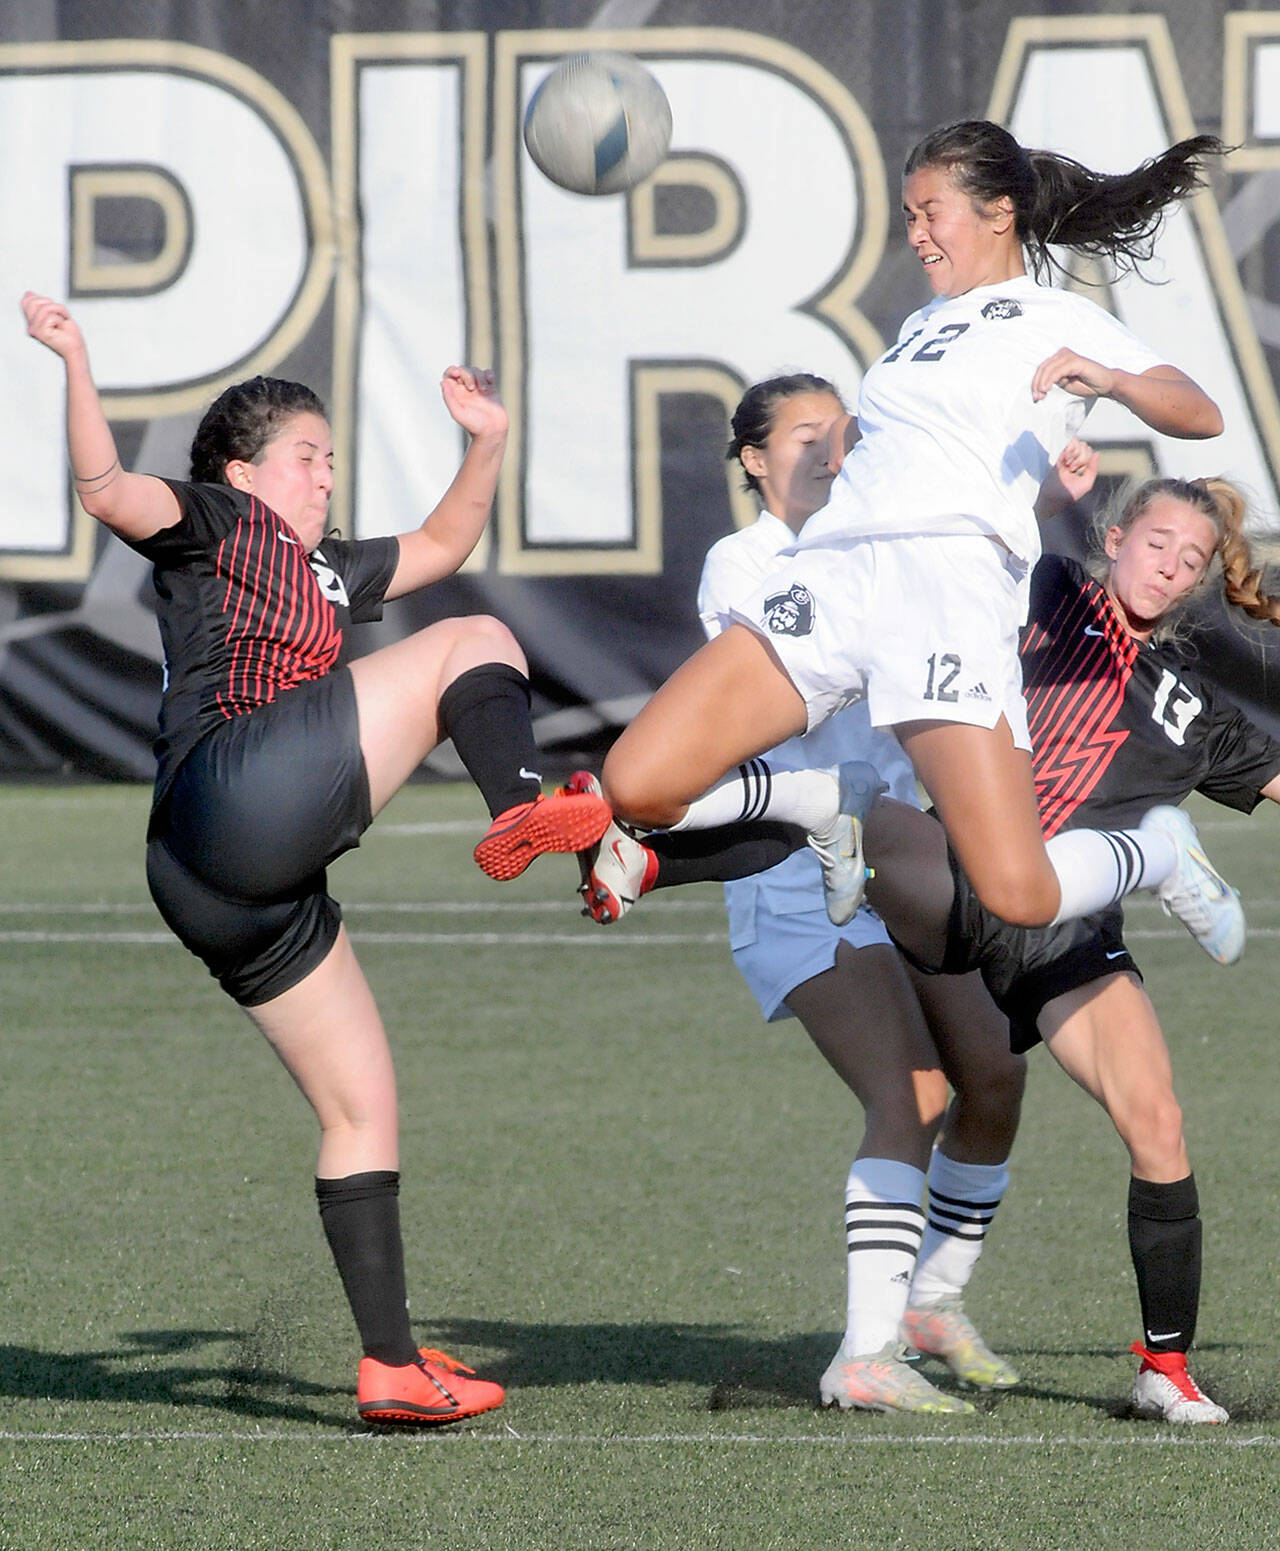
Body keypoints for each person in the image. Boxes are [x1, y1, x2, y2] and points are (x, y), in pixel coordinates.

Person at [577, 460, 1278, 1422]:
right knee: (874, 819)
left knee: (1154, 1122)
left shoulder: (1196, 708)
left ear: (1199, 579)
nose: (1168, 565)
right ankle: (661, 845)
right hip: (958, 869)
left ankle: (1163, 1368)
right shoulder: (1036, 587)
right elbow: (961, 526)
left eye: (1189, 558)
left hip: (1062, 924)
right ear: (1115, 540)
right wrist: (1038, 477)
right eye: (1155, 542)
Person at [21, 290, 610, 1427]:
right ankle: (520, 808)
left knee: (364, 1108)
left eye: (332, 458)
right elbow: (104, 489)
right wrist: (75, 360)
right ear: (243, 473)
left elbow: (444, 543)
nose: (324, 474)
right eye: (305, 456)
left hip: (219, 879)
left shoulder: (327, 568)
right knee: (476, 642)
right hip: (233, 789)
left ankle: (389, 1366)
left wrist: (485, 442)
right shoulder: (213, 521)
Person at [565, 121, 1239, 962]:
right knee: (638, 782)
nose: (915, 232)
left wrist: (1111, 379)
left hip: (947, 592)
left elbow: (1199, 411)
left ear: (999, 213)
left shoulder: (1060, 318)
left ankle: (1162, 851)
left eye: (931, 212)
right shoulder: (919, 325)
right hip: (840, 571)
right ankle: (823, 799)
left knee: (1017, 891)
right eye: (909, 214)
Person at [697, 374, 1028, 1414]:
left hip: (898, 855)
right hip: (793, 866)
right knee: (910, 1094)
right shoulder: (742, 565)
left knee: (994, 1078)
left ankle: (929, 1298)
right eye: (803, 435)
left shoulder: (877, 546)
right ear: (752, 459)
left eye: (842, 431)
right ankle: (864, 1357)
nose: (830, 448)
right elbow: (777, 700)